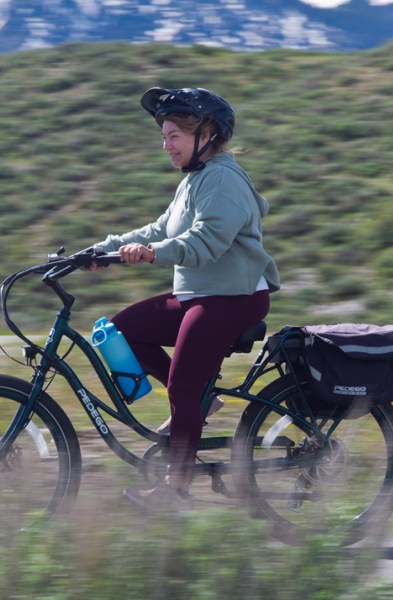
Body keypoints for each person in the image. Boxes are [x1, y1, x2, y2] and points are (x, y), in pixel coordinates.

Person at [91, 87, 280, 511]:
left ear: (206, 134)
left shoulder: (224, 180)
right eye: (164, 136)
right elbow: (161, 228)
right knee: (123, 330)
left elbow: (204, 242)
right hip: (201, 293)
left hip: (233, 297)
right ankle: (199, 403)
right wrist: (103, 249)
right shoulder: (195, 179)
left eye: (174, 135)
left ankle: (175, 490)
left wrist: (152, 254)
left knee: (182, 386)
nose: (166, 145)